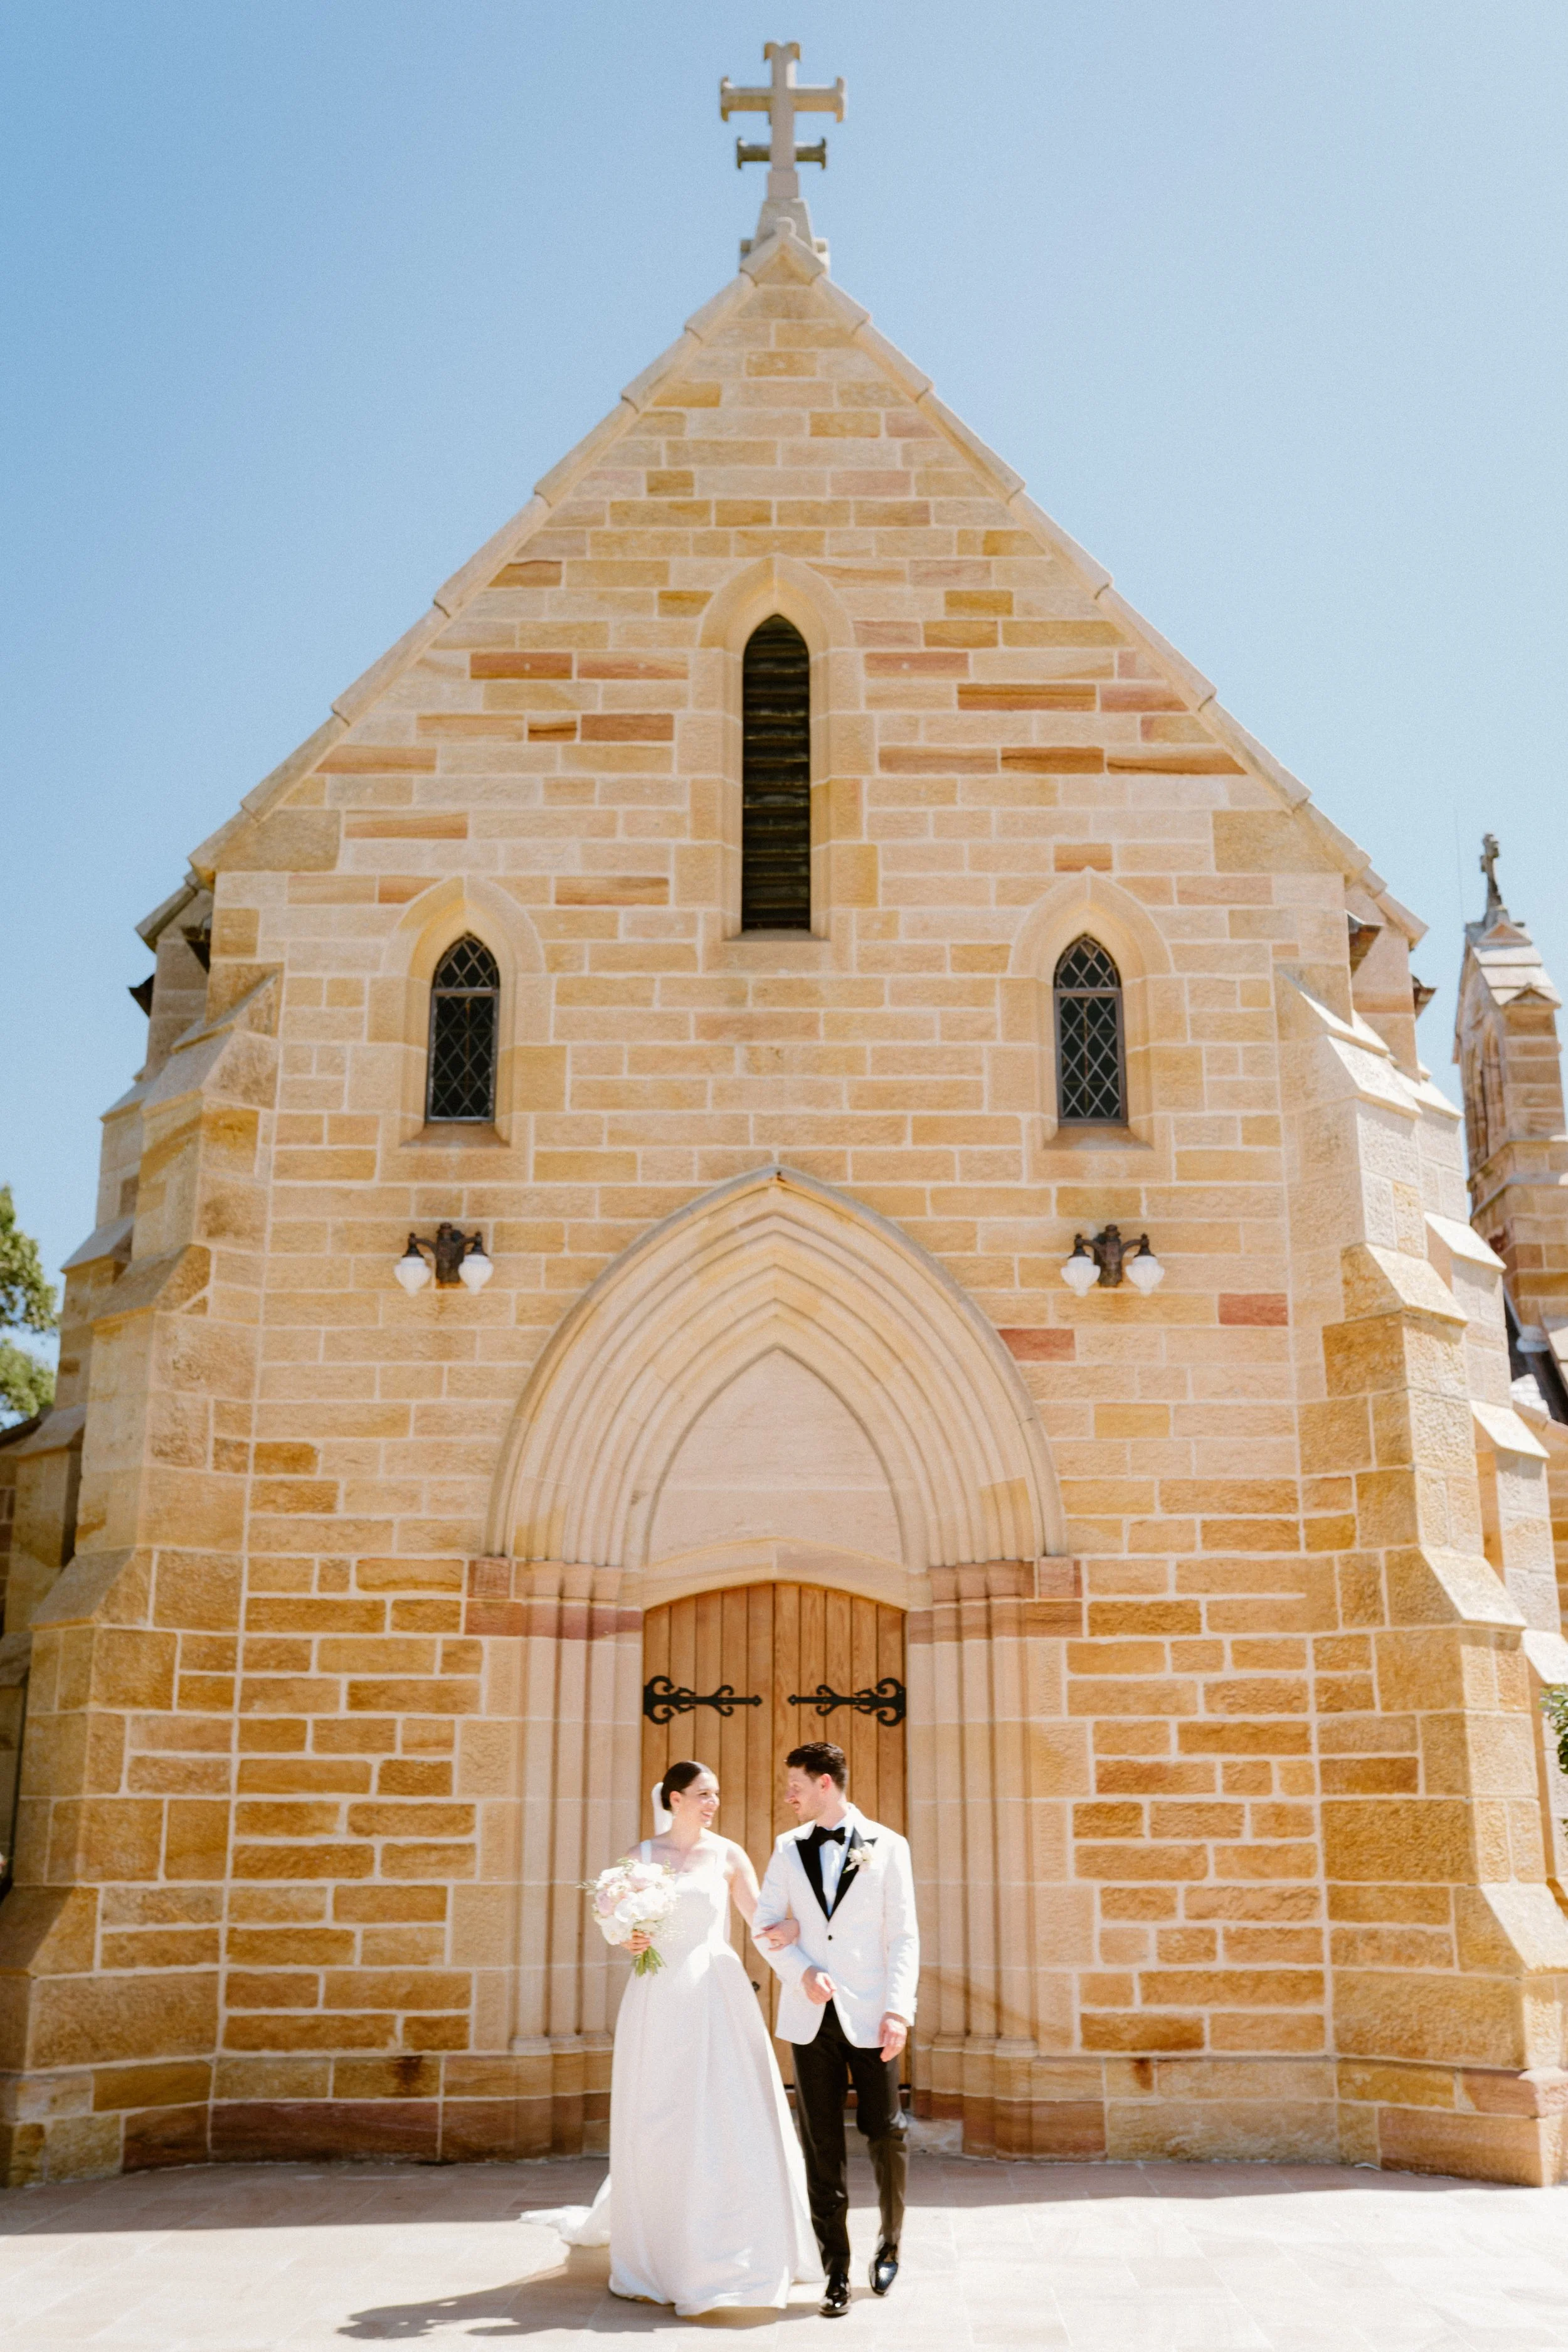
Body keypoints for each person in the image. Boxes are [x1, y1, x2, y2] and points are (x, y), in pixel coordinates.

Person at [524, 1759, 822, 2316]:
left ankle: (735, 2244)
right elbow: (620, 1926)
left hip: (716, 1988)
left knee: (729, 2105)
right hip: (658, 1991)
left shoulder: (729, 1854)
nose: (713, 1803)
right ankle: (660, 2248)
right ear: (675, 1798)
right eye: (704, 1794)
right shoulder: (641, 1857)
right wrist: (628, 1937)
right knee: (661, 2109)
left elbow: (760, 1921)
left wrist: (800, 1941)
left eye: (717, 1794)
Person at [752, 1739, 919, 2319]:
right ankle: (836, 2271)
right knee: (821, 2143)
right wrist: (800, 1973)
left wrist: (898, 2009)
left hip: (873, 2013)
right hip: (810, 2018)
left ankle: (890, 2241)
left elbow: (903, 1936)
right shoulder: (786, 1848)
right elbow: (763, 1927)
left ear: (826, 1783)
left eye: (796, 1784)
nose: (788, 1795)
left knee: (884, 2130)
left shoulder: (889, 1847)